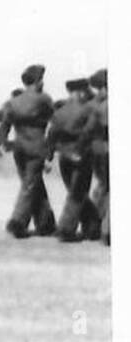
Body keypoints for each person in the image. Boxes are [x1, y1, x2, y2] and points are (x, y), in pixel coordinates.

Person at [0, 64, 56, 238]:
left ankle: (46, 222)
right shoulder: (43, 99)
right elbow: (55, 122)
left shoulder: (12, 102)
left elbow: (3, 127)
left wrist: (3, 143)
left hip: (19, 148)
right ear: (37, 81)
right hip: (36, 148)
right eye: (41, 79)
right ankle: (17, 222)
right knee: (30, 185)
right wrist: (50, 150)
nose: (43, 83)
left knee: (33, 183)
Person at [48, 78, 100, 242]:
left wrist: (49, 158)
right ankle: (66, 228)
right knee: (77, 194)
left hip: (64, 157)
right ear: (81, 92)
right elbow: (89, 132)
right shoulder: (87, 110)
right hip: (81, 154)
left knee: (76, 192)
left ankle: (93, 225)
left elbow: (51, 136)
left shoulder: (59, 112)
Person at [83, 69, 109, 245]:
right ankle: (106, 229)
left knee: (102, 186)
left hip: (95, 149)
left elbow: (87, 131)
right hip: (107, 149)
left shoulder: (92, 105)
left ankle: (93, 224)